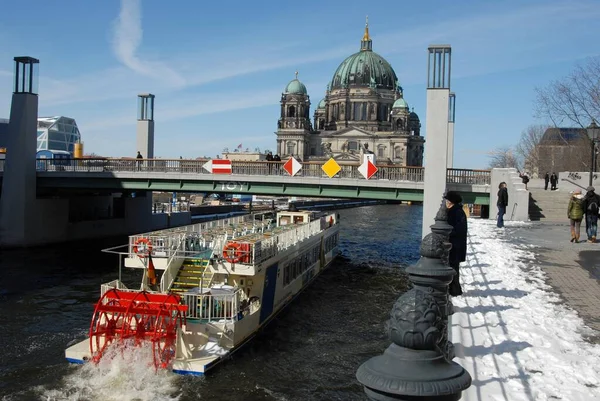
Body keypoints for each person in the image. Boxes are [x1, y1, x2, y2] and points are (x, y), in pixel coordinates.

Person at [444, 191, 468, 297]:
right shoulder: (458, 211)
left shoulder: (455, 212)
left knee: (453, 267)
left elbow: (458, 229)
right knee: (454, 267)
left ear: (450, 202)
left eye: (447, 200)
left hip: (455, 245)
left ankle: (455, 290)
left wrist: (447, 233)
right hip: (457, 244)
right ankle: (455, 289)